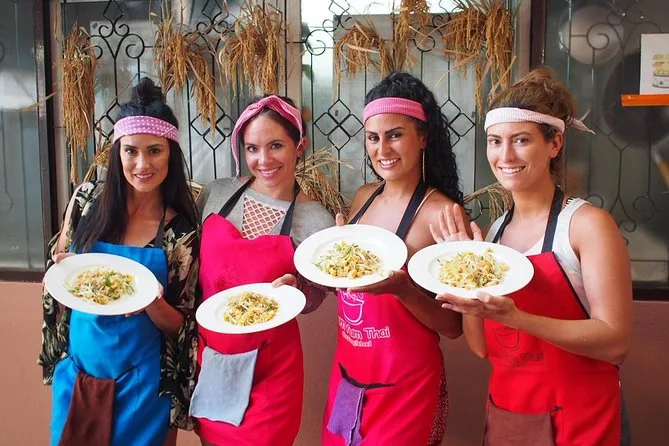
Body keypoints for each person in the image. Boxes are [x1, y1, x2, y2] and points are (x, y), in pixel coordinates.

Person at [432, 68, 632, 445]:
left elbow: (614, 341)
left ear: (554, 143)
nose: (505, 155)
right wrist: (463, 269)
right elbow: (481, 347)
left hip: (583, 420)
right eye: (495, 141)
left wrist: (517, 318)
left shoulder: (586, 226)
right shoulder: (494, 234)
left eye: (521, 140)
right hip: (511, 419)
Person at [39, 77, 201, 445]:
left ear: (171, 153)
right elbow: (58, 275)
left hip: (142, 388)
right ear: (117, 153)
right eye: (131, 151)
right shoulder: (86, 202)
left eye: (155, 151)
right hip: (78, 374)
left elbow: (181, 325)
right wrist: (61, 268)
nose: (142, 164)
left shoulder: (180, 233)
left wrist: (152, 302)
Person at [318, 72, 464, 445]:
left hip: (405, 389)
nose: (382, 149)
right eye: (373, 137)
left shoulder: (442, 214)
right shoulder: (362, 197)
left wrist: (404, 290)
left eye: (395, 135)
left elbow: (453, 326)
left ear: (423, 137)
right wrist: (334, 262)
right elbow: (350, 290)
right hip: (348, 375)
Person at [192, 95, 335, 446]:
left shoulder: (317, 220)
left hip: (271, 372)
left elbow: (318, 296)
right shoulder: (215, 194)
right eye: (252, 148)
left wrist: (299, 289)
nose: (264, 160)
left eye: (276, 146)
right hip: (212, 360)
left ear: (299, 146)